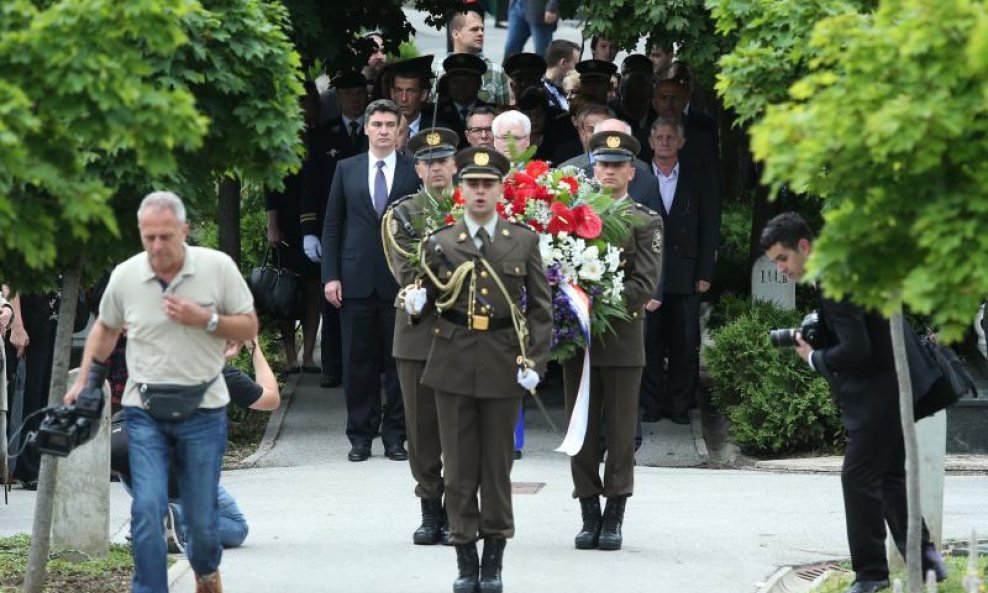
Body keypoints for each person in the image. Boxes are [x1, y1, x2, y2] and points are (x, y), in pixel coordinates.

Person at [64, 191, 258, 593]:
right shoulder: (126, 275)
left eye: (165, 236)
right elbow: (105, 328)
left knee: (203, 526)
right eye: (148, 236)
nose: (156, 246)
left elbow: (248, 325)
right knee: (148, 511)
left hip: (202, 411)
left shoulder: (216, 268)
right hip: (145, 411)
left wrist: (205, 319)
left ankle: (206, 571)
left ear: (184, 231)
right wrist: (86, 382)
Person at [760, 212, 948, 593]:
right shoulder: (842, 265)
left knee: (857, 477)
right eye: (775, 262)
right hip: (896, 384)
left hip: (878, 393)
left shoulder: (834, 279)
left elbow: (857, 349)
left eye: (783, 259)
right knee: (890, 478)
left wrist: (815, 358)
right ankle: (926, 565)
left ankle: (871, 576)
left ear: (804, 247)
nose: (781, 269)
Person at [413, 145, 552, 593]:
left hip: (502, 360)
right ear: (460, 189)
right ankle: (464, 559)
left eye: (487, 184)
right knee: (457, 470)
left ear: (499, 189)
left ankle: (493, 561)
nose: (479, 191)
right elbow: (428, 302)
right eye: (472, 183)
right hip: (451, 363)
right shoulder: (440, 241)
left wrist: (535, 361)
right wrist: (415, 306)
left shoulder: (523, 240)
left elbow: (541, 311)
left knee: (496, 468)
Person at [562, 131, 662, 553]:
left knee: (621, 432)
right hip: (578, 340)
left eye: (618, 166)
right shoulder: (571, 215)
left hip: (620, 336)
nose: (609, 172)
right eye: (602, 164)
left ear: (631, 173)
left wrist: (600, 307)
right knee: (581, 429)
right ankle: (588, 513)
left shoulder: (644, 219)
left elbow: (644, 280)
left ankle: (615, 514)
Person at [110, 337, 280, 554]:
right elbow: (271, 399)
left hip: (135, 475)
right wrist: (255, 348)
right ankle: (171, 519)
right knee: (236, 526)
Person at [321, 99, 422, 462]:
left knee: (399, 363)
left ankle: (396, 436)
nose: (382, 130)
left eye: (388, 125)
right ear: (365, 128)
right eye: (376, 124)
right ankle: (360, 436)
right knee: (357, 362)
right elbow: (332, 226)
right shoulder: (346, 169)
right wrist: (330, 276)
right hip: (355, 278)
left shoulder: (414, 170)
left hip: (401, 280)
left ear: (399, 131)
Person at [383, 127, 460, 546]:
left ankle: (459, 509)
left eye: (442, 161)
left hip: (466, 336)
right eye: (427, 162)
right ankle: (430, 508)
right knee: (422, 429)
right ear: (416, 168)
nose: (435, 169)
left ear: (455, 165)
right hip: (418, 335)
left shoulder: (476, 210)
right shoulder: (403, 213)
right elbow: (409, 273)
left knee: (461, 429)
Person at [640, 117, 719, 425]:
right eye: (659, 137)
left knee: (685, 343)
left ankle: (679, 405)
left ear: (681, 143)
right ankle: (651, 404)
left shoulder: (697, 177)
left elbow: (709, 226)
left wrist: (705, 272)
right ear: (650, 142)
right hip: (649, 272)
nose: (664, 142)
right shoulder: (640, 176)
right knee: (650, 341)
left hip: (686, 272)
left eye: (671, 137)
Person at [301, 71, 370, 388]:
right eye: (348, 92)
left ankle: (368, 367)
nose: (355, 98)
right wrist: (309, 229)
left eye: (360, 91)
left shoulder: (373, 134)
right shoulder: (323, 135)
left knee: (366, 300)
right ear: (338, 96)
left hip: (365, 226)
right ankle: (332, 367)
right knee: (331, 297)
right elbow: (310, 185)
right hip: (333, 228)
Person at [438, 8, 510, 106]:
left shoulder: (496, 71)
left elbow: (503, 113)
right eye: (474, 29)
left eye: (482, 29)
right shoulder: (437, 69)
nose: (481, 33)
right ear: (456, 34)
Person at [542, 39, 581, 112]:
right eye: (576, 65)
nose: (578, 70)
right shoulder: (541, 92)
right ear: (563, 63)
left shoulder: (569, 89)